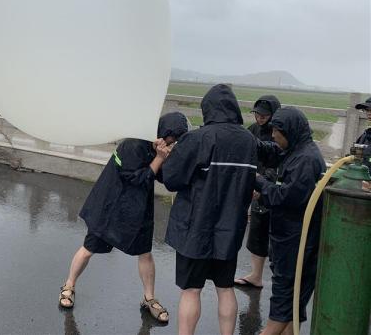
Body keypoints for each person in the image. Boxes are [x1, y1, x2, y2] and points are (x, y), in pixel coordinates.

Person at [58, 112, 189, 324]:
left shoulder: (157, 147)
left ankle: (149, 298)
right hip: (111, 205)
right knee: (88, 248)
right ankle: (68, 285)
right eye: (175, 138)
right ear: (166, 133)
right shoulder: (133, 145)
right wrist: (159, 158)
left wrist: (166, 159)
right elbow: (136, 180)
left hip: (137, 209)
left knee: (145, 253)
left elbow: (163, 177)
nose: (175, 143)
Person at [161, 84, 257, 335]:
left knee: (192, 290)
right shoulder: (248, 140)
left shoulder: (198, 138)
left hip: (196, 228)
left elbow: (172, 179)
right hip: (230, 229)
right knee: (225, 288)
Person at [255, 107, 326, 335]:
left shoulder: (306, 160)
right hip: (288, 240)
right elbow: (271, 151)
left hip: (297, 244)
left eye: (278, 131)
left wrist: (258, 183)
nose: (273, 135)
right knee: (291, 308)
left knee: (283, 301)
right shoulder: (297, 151)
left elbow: (287, 197)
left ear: (291, 131)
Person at [235, 95, 281, 289]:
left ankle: (280, 280)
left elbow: (278, 163)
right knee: (256, 231)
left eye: (264, 115)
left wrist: (262, 185)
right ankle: (256, 275)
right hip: (256, 183)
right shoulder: (253, 130)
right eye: (257, 114)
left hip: (273, 187)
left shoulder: (278, 132)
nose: (260, 118)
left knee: (275, 236)